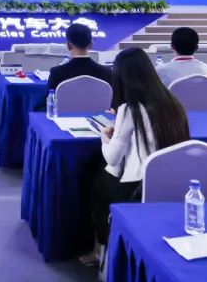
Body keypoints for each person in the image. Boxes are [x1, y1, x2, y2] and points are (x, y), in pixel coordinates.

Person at [87, 48, 189, 255]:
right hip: (172, 182)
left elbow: (113, 158)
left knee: (95, 178)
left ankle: (101, 250)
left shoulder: (130, 108)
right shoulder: (173, 103)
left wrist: (105, 137)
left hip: (136, 187)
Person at [46, 22, 112, 92]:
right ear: (91, 45)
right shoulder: (107, 73)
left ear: (68, 46)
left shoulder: (57, 73)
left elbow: (48, 97)